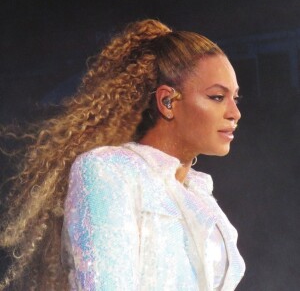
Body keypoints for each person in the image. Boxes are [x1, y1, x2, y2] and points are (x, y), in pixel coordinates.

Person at [0, 19, 245, 290]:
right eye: (217, 97)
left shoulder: (199, 193)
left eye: (236, 98)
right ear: (167, 101)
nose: (235, 113)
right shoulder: (108, 171)